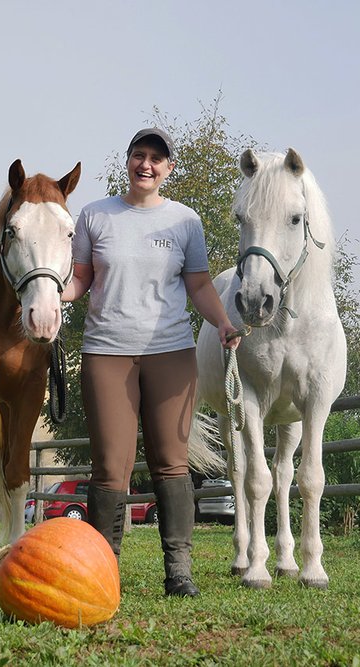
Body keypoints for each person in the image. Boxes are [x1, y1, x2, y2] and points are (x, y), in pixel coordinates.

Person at [62, 127, 240, 597]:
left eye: (156, 159)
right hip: (107, 353)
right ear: (128, 161)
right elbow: (81, 278)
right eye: (139, 155)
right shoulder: (95, 216)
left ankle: (179, 571)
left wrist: (222, 323)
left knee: (172, 464)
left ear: (168, 169)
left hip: (171, 353)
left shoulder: (185, 221)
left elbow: (200, 286)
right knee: (109, 467)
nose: (146, 164)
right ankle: (103, 572)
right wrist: (56, 294)